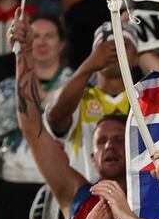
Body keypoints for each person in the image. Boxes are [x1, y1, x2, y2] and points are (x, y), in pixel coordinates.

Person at [0, 13, 71, 219]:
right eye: (35, 36)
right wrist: (31, 97)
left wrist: (38, 98)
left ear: (61, 43)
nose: (41, 42)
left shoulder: (77, 82)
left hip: (56, 185)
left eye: (49, 36)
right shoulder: (10, 86)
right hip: (12, 186)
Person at [43, 21, 137, 182]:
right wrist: (88, 67)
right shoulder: (78, 97)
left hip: (135, 201)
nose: (114, 51)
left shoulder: (144, 99)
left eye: (123, 45)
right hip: (85, 199)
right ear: (93, 55)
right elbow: (54, 117)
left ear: (137, 58)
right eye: (104, 46)